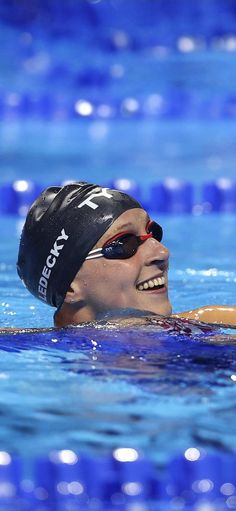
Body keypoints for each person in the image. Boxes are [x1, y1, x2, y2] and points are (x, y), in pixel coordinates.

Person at [15, 181, 236, 330]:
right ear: (70, 287)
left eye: (153, 233)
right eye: (125, 244)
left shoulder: (203, 324)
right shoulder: (30, 351)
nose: (161, 252)